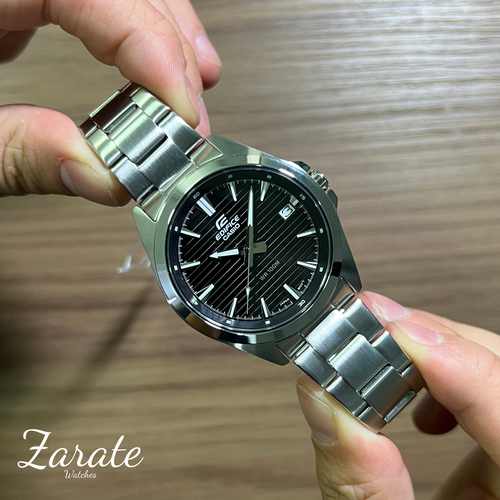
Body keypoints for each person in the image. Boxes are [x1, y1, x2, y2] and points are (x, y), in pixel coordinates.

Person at [1, 1, 499, 498]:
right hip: (277, 302)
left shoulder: (295, 241)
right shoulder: (165, 224)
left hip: (304, 297)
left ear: (311, 189)